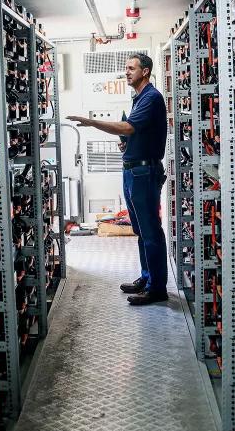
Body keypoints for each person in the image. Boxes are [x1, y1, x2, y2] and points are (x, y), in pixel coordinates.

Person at [67, 53, 169, 305]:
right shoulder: (138, 99)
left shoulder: (151, 97)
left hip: (144, 173)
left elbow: (128, 127)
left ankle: (157, 288)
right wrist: (128, 145)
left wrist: (92, 122)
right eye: (126, 68)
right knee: (140, 230)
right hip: (133, 170)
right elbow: (135, 133)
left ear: (145, 71)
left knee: (150, 231)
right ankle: (146, 278)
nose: (127, 72)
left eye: (131, 68)